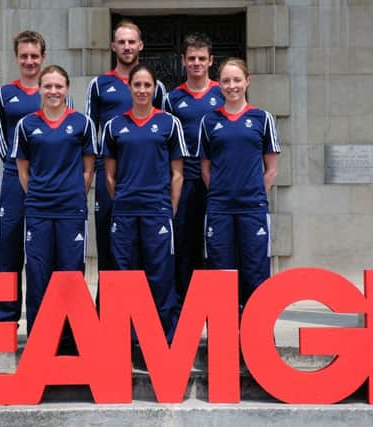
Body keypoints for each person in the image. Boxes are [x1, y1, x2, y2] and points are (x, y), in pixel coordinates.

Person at [0, 31, 73, 324]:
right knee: (9, 247)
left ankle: (50, 320)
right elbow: (3, 143)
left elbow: (66, 135)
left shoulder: (54, 90)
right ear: (17, 58)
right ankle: (6, 317)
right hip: (15, 179)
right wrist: (22, 168)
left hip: (51, 184)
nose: (29, 61)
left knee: (45, 253)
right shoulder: (3, 94)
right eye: (24, 56)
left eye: (34, 56)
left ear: (43, 57)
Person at [101, 64, 186, 342]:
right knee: (125, 275)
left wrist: (168, 207)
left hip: (157, 210)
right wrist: (124, 199)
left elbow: (177, 174)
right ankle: (128, 335)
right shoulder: (115, 126)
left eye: (147, 85)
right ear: (130, 88)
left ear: (154, 89)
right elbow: (110, 176)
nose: (142, 90)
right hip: (125, 210)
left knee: (160, 274)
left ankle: (164, 335)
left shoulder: (169, 123)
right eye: (137, 85)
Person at [12, 65, 96, 335]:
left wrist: (72, 194)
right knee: (38, 273)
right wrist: (40, 193)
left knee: (70, 274)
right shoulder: (27, 125)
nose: (53, 91)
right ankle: (40, 335)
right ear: (39, 89)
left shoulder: (82, 123)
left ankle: (70, 338)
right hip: (38, 210)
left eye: (58, 86)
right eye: (48, 86)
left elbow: (88, 169)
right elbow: (23, 171)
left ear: (67, 89)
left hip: (71, 211)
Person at [85, 20, 166, 292]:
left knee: (150, 248)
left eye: (132, 41)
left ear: (141, 45)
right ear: (113, 46)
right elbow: (87, 132)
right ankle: (108, 311)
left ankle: (147, 313)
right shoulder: (99, 85)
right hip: (110, 176)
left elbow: (165, 132)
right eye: (122, 42)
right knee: (112, 245)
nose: (127, 46)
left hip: (147, 181)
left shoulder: (157, 87)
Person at [199, 58, 280, 309]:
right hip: (220, 208)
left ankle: (256, 338)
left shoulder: (262, 118)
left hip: (252, 208)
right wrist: (223, 192)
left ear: (247, 81)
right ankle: (225, 338)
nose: (231, 85)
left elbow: (272, 169)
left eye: (236, 80)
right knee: (220, 271)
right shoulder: (209, 121)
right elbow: (205, 168)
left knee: (255, 271)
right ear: (219, 84)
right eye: (226, 80)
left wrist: (252, 193)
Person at [165, 33, 224, 302]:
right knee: (184, 246)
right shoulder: (172, 98)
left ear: (211, 60)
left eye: (202, 58)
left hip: (216, 182)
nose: (197, 63)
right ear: (183, 61)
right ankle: (184, 312)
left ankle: (216, 311)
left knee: (215, 247)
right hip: (185, 181)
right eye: (192, 58)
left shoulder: (223, 93)